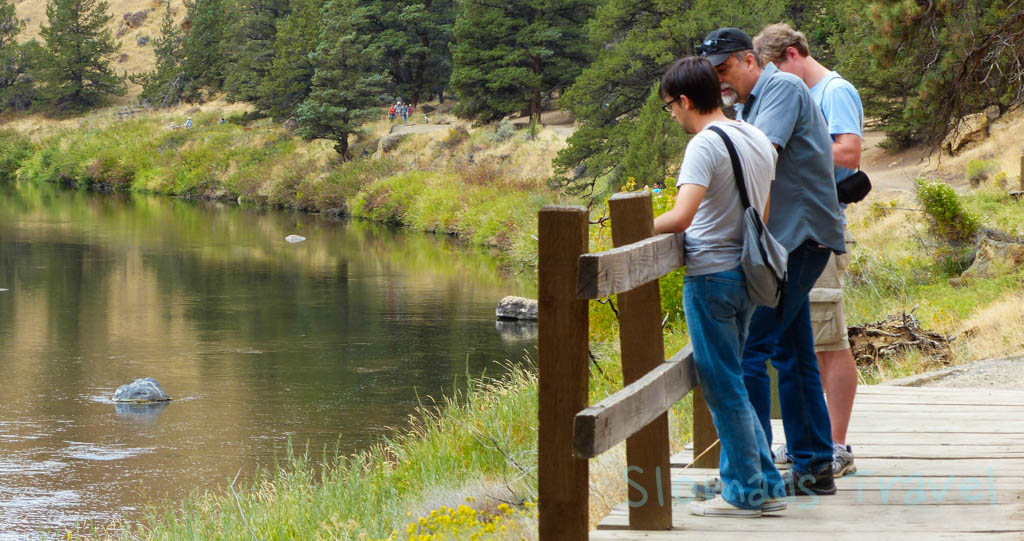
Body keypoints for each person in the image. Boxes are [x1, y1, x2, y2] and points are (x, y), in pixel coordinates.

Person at [699, 27, 846, 497]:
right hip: (787, 242)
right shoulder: (748, 105)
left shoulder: (780, 86)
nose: (720, 80)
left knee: (747, 352)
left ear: (748, 59)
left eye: (724, 69)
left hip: (800, 238)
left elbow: (759, 156)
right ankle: (813, 469)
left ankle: (753, 474)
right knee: (793, 353)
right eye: (712, 73)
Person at [653, 56, 785, 517]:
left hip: (709, 275)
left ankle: (747, 489)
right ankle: (763, 480)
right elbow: (762, 215)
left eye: (670, 104)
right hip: (749, 275)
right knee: (735, 378)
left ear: (686, 100)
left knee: (722, 384)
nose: (671, 114)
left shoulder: (703, 145)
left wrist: (631, 229)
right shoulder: (756, 137)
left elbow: (681, 217)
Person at [754, 22, 865, 478]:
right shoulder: (798, 91)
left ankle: (836, 444)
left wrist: (796, 144)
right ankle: (815, 442)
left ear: (794, 54)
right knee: (803, 340)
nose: (775, 79)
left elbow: (850, 152)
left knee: (827, 339)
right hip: (796, 229)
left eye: (777, 67)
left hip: (817, 228)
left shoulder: (833, 92)